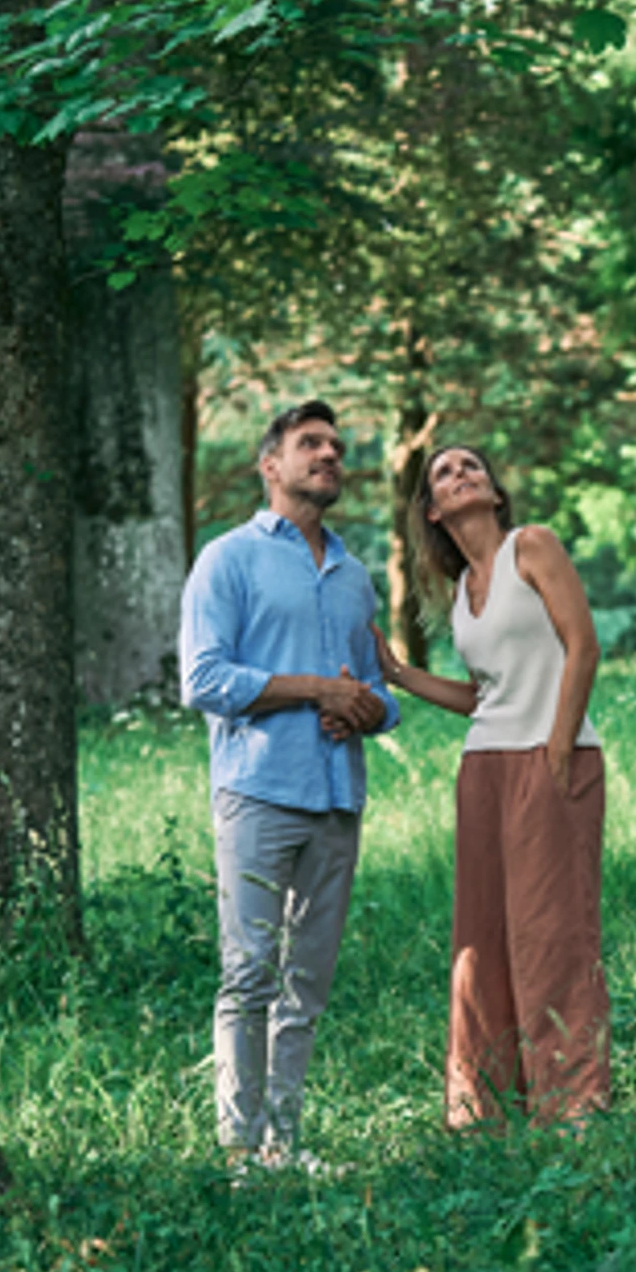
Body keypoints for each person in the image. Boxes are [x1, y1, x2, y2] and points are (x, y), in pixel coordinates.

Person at [180, 399, 397, 1168]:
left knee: (306, 982)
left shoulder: (353, 576)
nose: (329, 455)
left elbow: (379, 691)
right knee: (247, 975)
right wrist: (315, 690)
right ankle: (239, 1154)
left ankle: (285, 1148)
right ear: (271, 465)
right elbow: (202, 678)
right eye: (311, 444)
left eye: (336, 445)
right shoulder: (227, 560)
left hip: (338, 799)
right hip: (259, 793)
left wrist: (364, 708)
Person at [378, 443, 611, 1127]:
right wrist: (398, 674)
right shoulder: (463, 596)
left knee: (554, 930)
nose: (462, 473)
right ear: (434, 511)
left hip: (551, 755)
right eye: (445, 473)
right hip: (483, 767)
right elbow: (485, 696)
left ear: (495, 493)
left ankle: (571, 1101)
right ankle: (482, 1102)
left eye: (471, 465)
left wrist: (559, 752)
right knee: (480, 937)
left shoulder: (531, 547)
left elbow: (583, 646)